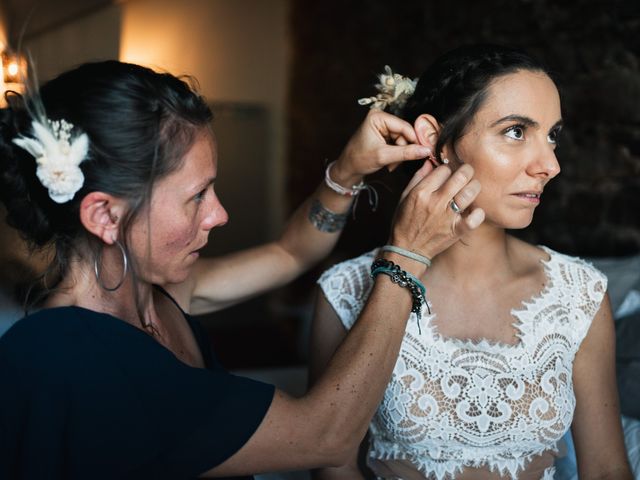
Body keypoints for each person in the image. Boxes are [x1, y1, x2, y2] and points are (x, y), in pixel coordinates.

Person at [0, 60, 483, 479]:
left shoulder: (152, 294)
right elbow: (324, 436)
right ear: (105, 216)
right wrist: (407, 255)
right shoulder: (66, 361)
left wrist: (347, 172)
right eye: (196, 197)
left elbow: (291, 252)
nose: (219, 214)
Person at [309, 44, 633, 480]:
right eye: (516, 131)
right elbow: (331, 469)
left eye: (552, 135)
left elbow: (607, 470)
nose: (550, 165)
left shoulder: (580, 294)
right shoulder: (345, 290)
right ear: (437, 142)